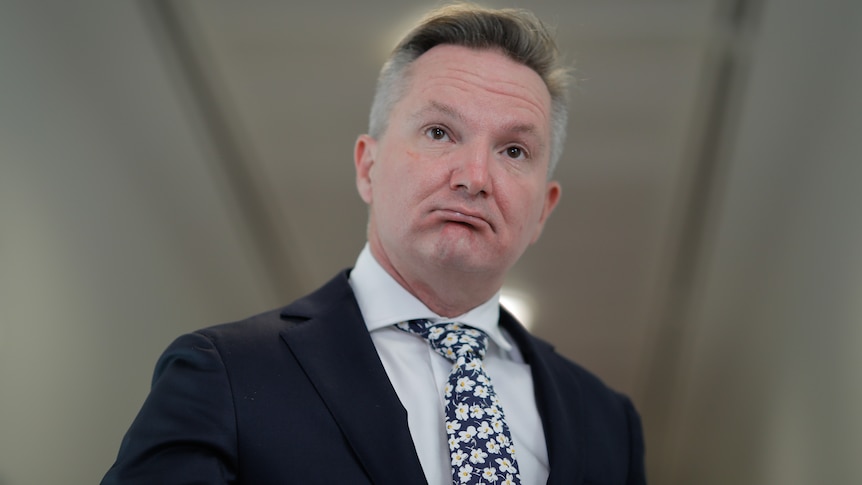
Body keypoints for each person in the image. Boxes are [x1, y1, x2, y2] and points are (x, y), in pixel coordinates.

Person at [103, 4, 646, 484]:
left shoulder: (607, 425)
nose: (474, 175)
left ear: (543, 210)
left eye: (513, 151)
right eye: (439, 132)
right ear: (368, 165)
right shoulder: (223, 375)